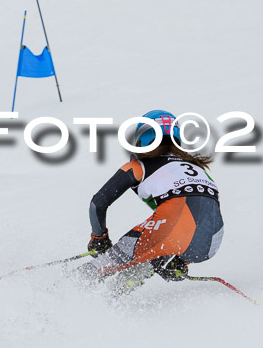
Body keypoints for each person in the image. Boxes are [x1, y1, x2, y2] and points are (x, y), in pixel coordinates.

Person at [78, 110, 224, 292]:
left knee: (110, 260)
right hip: (211, 243)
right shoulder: (196, 167)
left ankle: (62, 291)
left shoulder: (139, 166)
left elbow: (97, 204)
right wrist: (179, 260)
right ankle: (112, 303)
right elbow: (202, 212)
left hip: (172, 229)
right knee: (152, 256)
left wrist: (99, 239)